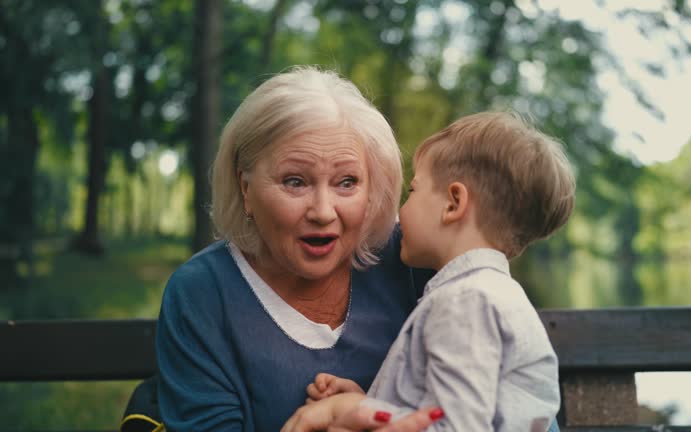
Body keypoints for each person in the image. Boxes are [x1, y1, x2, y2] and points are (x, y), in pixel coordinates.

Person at [153, 66, 443, 432]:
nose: (323, 212)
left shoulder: (412, 261)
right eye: (295, 181)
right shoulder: (202, 293)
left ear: (373, 190)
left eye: (347, 182)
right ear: (246, 189)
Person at [282, 112, 576, 431]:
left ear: (453, 203)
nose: (400, 212)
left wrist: (346, 409)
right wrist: (371, 405)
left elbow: (455, 427)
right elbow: (455, 409)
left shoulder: (465, 303)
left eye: (413, 191)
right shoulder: (494, 296)